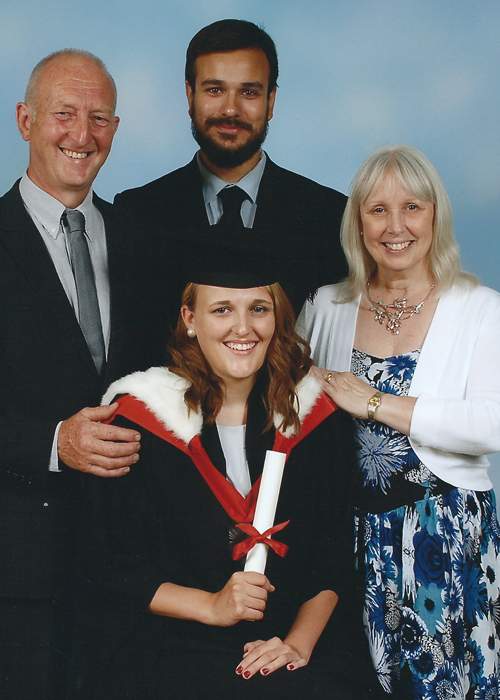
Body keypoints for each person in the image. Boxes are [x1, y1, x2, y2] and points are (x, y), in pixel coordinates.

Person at [73, 232, 371, 700]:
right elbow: (109, 566)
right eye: (221, 310)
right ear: (189, 319)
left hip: (289, 641)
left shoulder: (313, 416)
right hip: (175, 645)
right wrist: (212, 606)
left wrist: (296, 645)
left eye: (258, 308)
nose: (243, 328)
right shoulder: (139, 419)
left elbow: (332, 559)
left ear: (277, 318)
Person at [297, 145, 500, 698]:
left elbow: (492, 424)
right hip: (352, 534)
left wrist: (373, 402)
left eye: (412, 207)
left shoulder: (478, 308)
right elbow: (288, 396)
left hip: (445, 534)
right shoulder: (328, 306)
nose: (396, 226)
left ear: (436, 215)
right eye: (377, 210)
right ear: (357, 222)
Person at [0, 49, 153, 699]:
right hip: (20, 582)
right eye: (64, 114)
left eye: (99, 118)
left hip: (138, 575)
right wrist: (52, 443)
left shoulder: (143, 239)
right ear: (25, 120)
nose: (82, 136)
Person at [113, 18, 347, 340]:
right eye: (215, 89)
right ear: (189, 95)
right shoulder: (137, 214)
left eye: (249, 92)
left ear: (271, 101)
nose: (230, 109)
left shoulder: (330, 217)